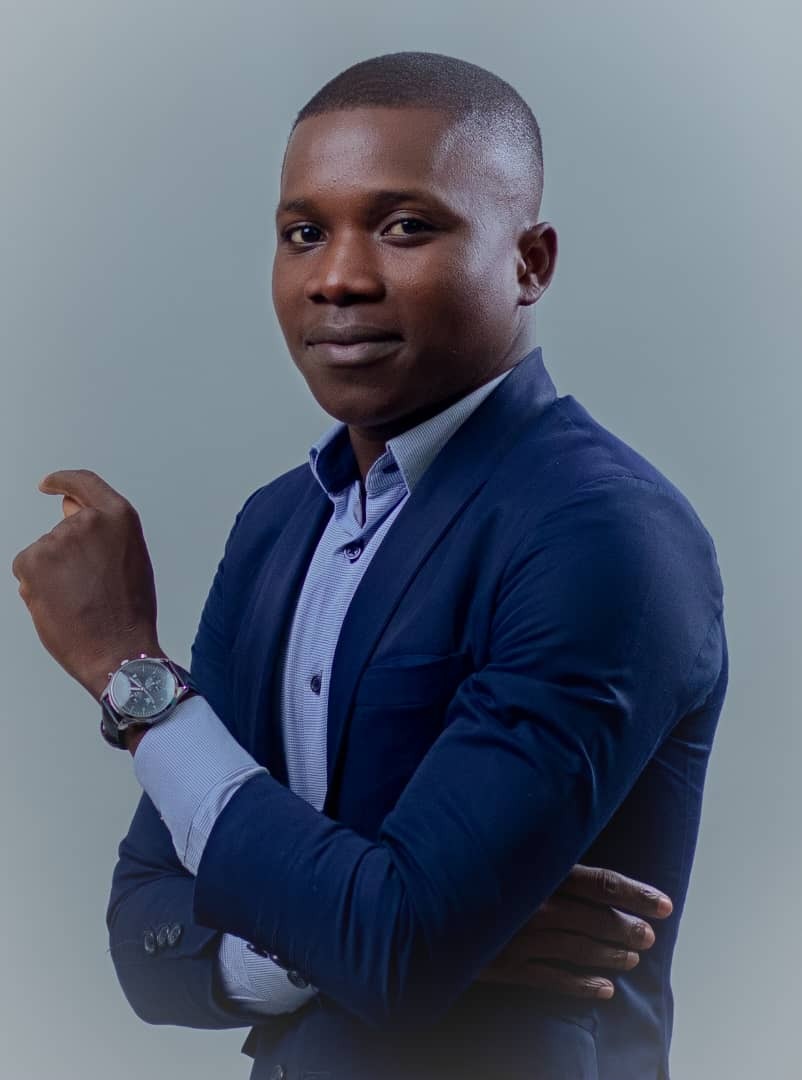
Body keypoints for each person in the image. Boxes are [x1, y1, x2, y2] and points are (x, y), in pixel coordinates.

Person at [12, 51, 727, 1080]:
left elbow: (394, 947)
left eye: (405, 227)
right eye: (304, 233)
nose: (337, 276)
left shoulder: (603, 534)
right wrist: (347, 944)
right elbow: (146, 943)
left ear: (529, 263)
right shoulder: (276, 527)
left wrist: (134, 676)